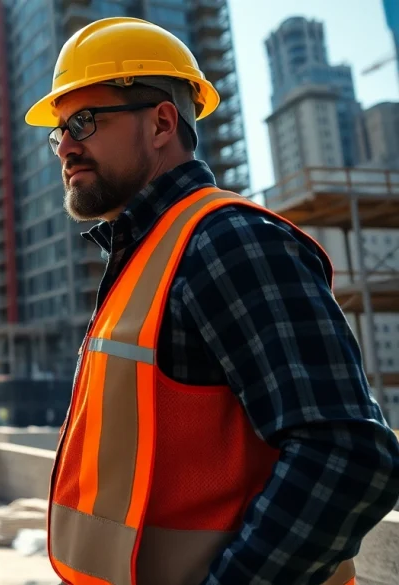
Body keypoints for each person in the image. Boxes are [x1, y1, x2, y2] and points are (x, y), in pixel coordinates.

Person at [23, 16, 399, 585]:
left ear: (161, 124)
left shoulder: (229, 241)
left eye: (83, 121)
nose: (66, 147)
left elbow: (347, 457)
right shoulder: (147, 255)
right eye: (60, 133)